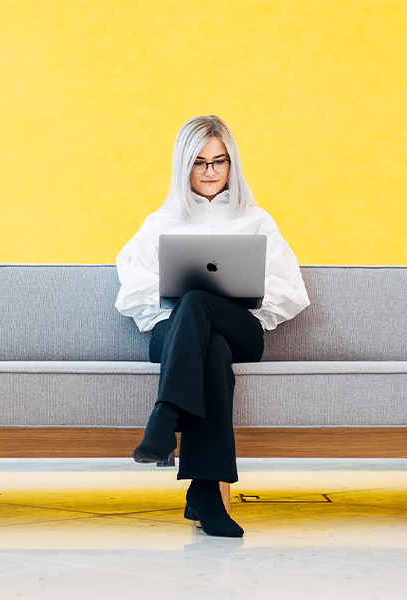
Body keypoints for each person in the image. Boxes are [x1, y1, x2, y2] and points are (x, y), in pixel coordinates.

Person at [114, 115, 310, 537]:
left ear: (232, 164)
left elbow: (291, 289)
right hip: (176, 335)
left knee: (200, 301)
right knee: (210, 348)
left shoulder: (257, 220)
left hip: (242, 330)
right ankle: (204, 494)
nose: (209, 172)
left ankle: (166, 416)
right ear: (182, 166)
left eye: (219, 162)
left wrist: (233, 300)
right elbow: (130, 288)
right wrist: (183, 307)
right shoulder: (160, 222)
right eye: (198, 162)